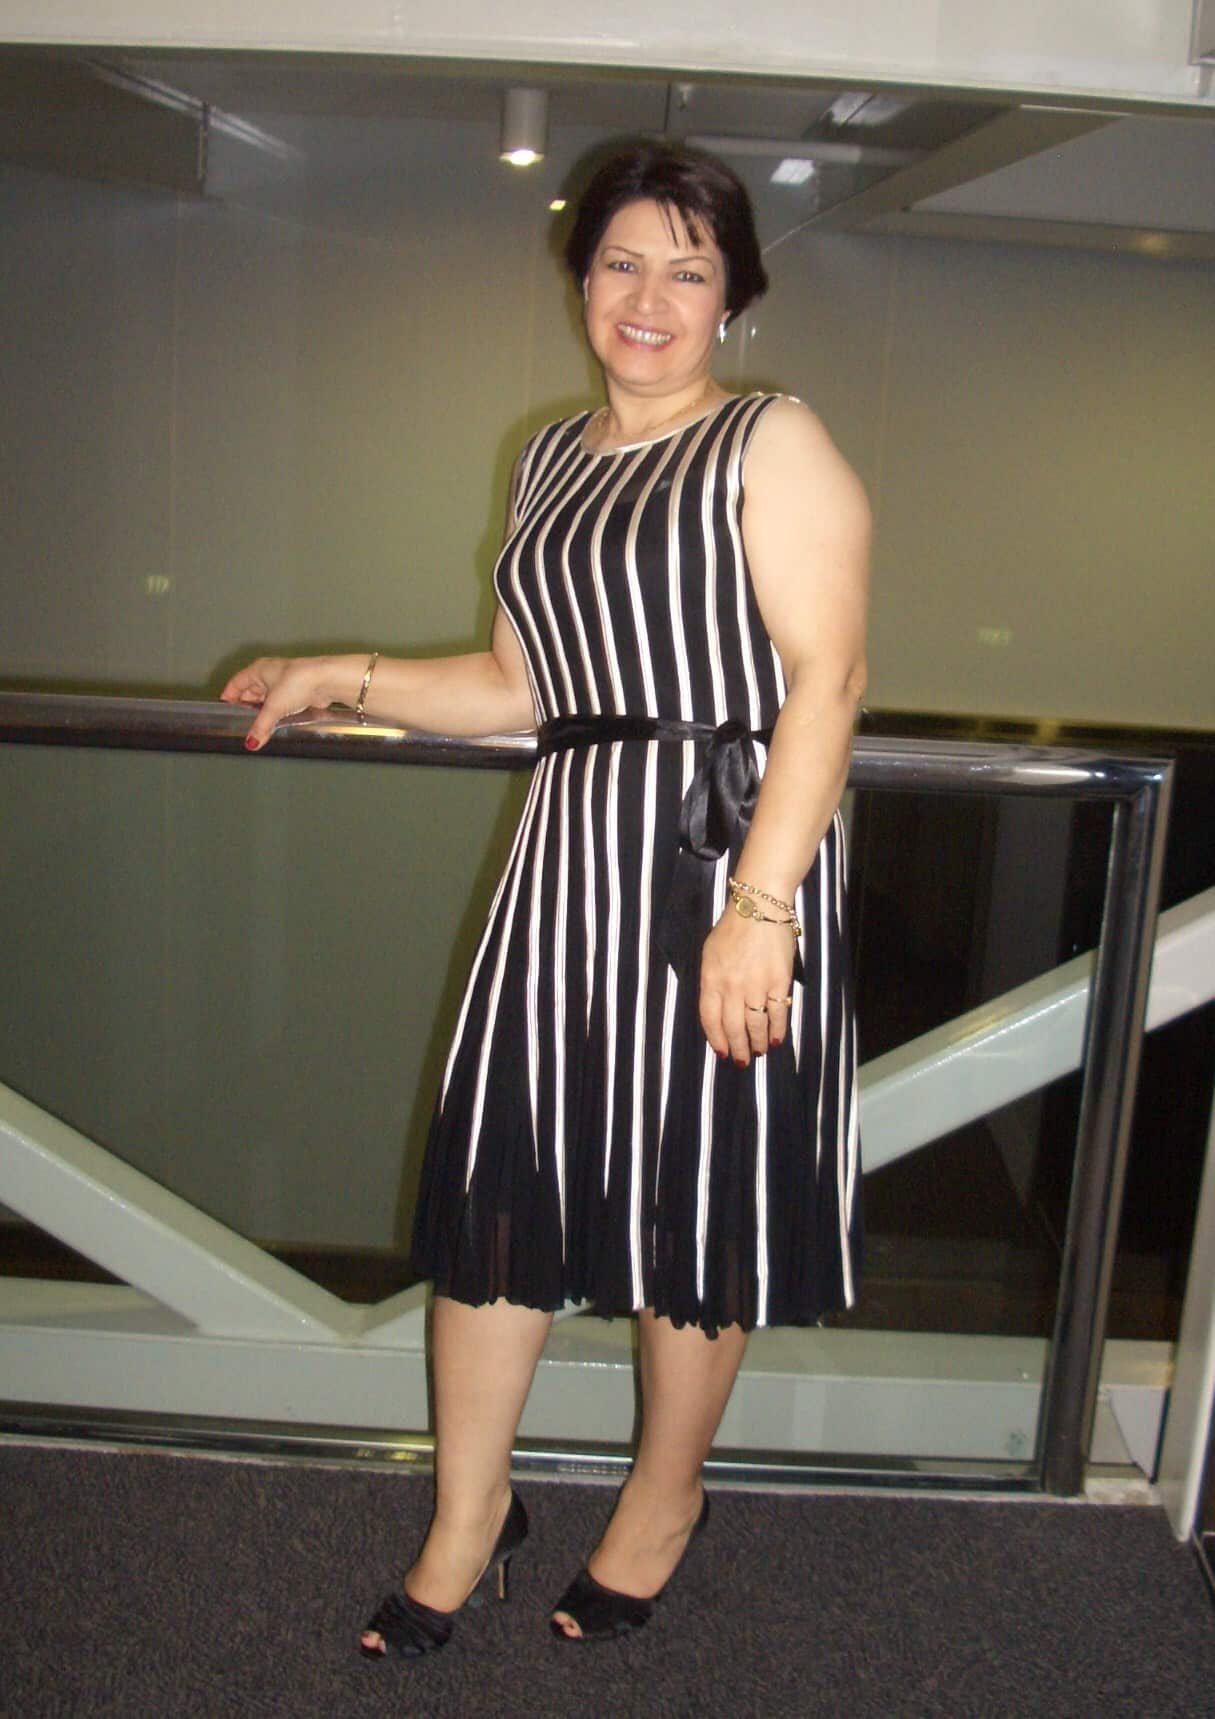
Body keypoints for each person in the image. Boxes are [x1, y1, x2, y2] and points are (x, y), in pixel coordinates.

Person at [220, 139, 869, 1655]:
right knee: (502, 1195)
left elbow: (829, 684)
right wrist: (348, 673)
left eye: (687, 270)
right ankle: (468, 1514)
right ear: (584, 276)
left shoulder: (772, 441)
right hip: (569, 859)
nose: (648, 297)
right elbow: (521, 687)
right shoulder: (550, 459)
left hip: (728, 857)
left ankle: (664, 1498)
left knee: (696, 1206)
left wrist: (762, 908)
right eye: (622, 261)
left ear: (733, 298)